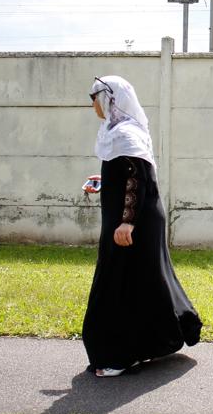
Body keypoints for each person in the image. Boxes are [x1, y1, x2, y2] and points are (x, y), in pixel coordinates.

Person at [82, 75, 202, 378]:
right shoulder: (117, 131)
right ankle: (146, 343)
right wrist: (104, 182)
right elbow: (126, 174)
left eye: (94, 97)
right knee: (140, 281)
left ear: (110, 98)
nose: (92, 104)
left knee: (119, 283)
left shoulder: (125, 133)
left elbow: (140, 178)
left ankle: (119, 355)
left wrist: (127, 222)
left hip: (133, 224)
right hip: (132, 220)